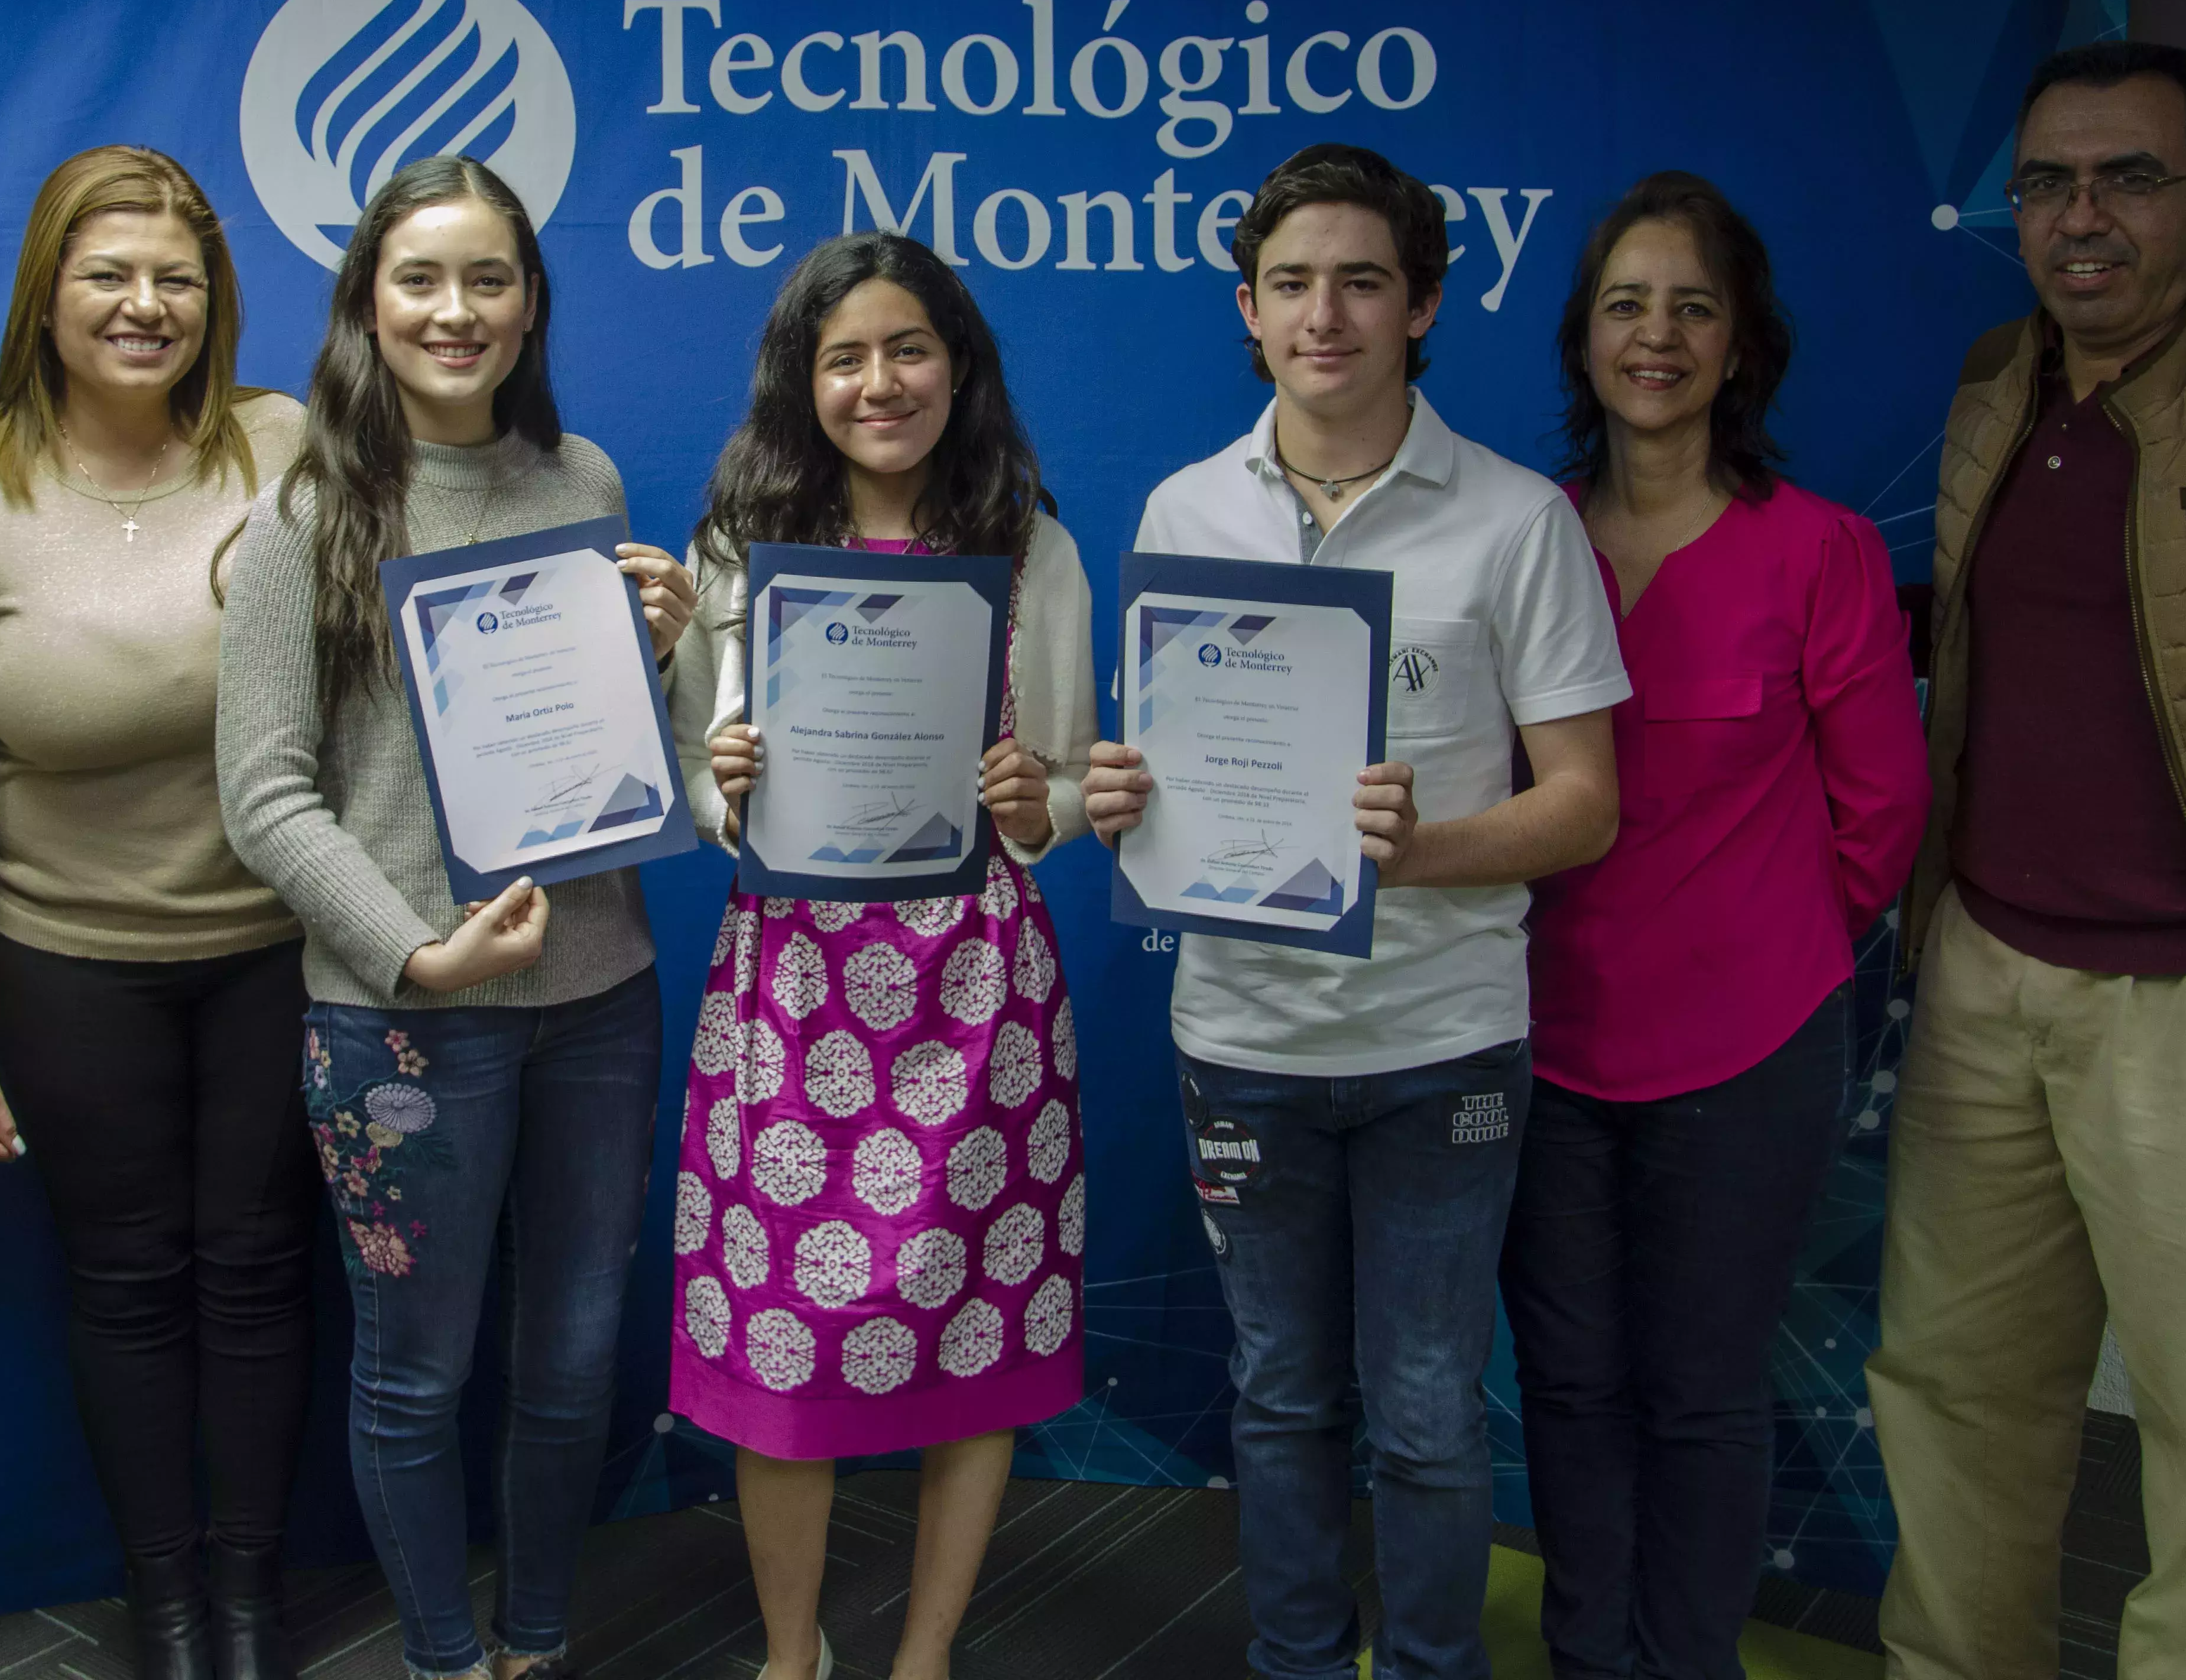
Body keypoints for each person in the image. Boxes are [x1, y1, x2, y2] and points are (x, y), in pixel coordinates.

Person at [1081, 142, 1629, 1680]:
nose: (1327, 316)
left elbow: (1585, 802)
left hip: (1441, 1045)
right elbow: (1179, 778)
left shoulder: (1516, 521)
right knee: (1278, 1395)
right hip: (1244, 1040)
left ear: (1425, 305)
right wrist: (1131, 803)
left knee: (1435, 1412)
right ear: (1249, 312)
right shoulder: (1187, 511)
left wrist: (1422, 848)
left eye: (1363, 284)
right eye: (1294, 286)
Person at [1867, 42, 2186, 1680]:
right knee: (1952, 1396)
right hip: (1985, 976)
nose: (2082, 217)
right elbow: (2000, 635)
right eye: (2050, 182)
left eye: (2128, 178)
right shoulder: (2004, 370)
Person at [216, 155, 697, 1680]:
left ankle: (535, 1645)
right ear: (367, 297)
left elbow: (641, 765)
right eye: (420, 277)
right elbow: (265, 790)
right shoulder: (306, 510)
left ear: (532, 300)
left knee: (567, 1369)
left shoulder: (586, 482)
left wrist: (673, 649)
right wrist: (411, 951)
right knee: (415, 1380)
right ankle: (439, 1658)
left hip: (599, 996)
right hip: (402, 1018)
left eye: (489, 278)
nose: (456, 310)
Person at [0, 147, 317, 1680]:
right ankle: (167, 1601)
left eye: (177, 278)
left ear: (218, 300)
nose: (145, 305)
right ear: (47, 292)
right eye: (109, 274)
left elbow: (411, 665)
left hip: (275, 948)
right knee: (123, 1279)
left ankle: (250, 1597)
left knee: (259, 1266)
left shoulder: (287, 450)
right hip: (66, 964)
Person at [1500, 173, 1929, 1680]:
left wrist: (1766, 947)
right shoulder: (1520, 541)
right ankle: (1586, 1661)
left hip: (1750, 1050)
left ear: (1741, 347)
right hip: (1542, 1044)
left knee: (1698, 1392)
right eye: (1626, 305)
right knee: (1565, 1386)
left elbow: (1880, 813)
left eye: (1693, 307)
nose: (1657, 335)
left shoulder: (1817, 551)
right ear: (1584, 340)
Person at [664, 232, 1096, 1680]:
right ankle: (795, 1655)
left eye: (907, 349)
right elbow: (682, 782)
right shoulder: (739, 543)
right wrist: (721, 775)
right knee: (784, 1331)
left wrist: (1040, 803)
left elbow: (1073, 776)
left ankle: (924, 1657)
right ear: (804, 381)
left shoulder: (1031, 544)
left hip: (979, 996)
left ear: (957, 365)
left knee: (976, 1332)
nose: (879, 383)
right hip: (792, 992)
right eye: (843, 358)